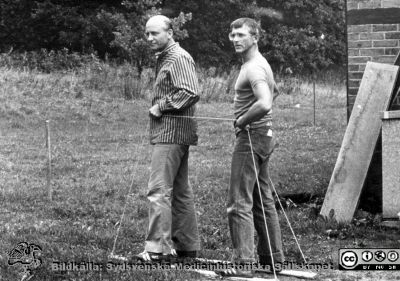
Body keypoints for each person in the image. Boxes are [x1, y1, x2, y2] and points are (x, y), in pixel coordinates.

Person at [136, 14, 200, 262]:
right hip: (175, 133)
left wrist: (161, 106)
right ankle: (187, 248)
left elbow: (190, 91)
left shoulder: (177, 57)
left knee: (158, 190)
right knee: (181, 191)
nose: (150, 38)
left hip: (171, 134)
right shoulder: (167, 57)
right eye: (147, 34)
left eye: (155, 33)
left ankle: (157, 250)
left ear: (170, 32)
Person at [223, 18, 284, 277]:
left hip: (253, 136)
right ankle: (273, 259)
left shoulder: (254, 67)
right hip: (263, 135)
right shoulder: (258, 64)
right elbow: (275, 91)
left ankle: (245, 264)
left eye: (241, 35)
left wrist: (241, 120)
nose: (235, 39)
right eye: (232, 35)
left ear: (255, 37)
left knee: (238, 202)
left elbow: (265, 103)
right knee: (262, 199)